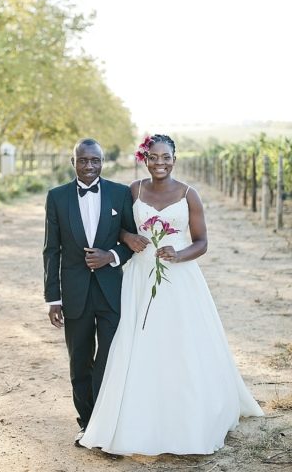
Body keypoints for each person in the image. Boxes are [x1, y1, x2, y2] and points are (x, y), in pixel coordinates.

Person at [80, 133, 264, 456]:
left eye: (166, 157)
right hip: (140, 277)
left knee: (182, 344)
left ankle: (188, 419)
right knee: (138, 342)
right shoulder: (133, 191)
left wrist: (179, 255)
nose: (160, 163)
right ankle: (134, 419)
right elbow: (119, 228)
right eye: (154, 157)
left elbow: (202, 241)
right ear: (145, 159)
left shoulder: (189, 195)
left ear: (174, 160)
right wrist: (128, 236)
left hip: (180, 278)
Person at [43, 137, 137, 447]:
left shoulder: (120, 194)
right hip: (74, 293)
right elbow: (51, 250)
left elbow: (131, 242)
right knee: (79, 360)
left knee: (109, 358)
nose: (89, 166)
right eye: (83, 160)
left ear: (102, 162)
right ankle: (86, 423)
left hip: (111, 291)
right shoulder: (56, 197)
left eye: (94, 160)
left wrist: (111, 256)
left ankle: (105, 422)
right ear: (73, 162)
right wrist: (53, 298)